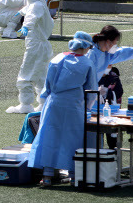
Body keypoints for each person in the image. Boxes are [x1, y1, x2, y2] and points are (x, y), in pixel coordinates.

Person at [28, 31, 98, 187]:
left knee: (50, 136)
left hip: (54, 103)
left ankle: (46, 176)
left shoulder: (57, 59)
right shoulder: (87, 63)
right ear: (86, 46)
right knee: (73, 139)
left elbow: (47, 85)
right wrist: (88, 107)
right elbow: (92, 90)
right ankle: (73, 176)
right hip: (74, 105)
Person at [6, 0, 54, 114]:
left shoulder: (36, 6)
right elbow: (29, 9)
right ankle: (44, 102)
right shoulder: (39, 3)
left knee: (25, 74)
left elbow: (32, 16)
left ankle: (25, 104)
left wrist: (26, 26)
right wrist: (21, 12)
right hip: (42, 45)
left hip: (35, 45)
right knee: (40, 75)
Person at [98, 66, 123, 149]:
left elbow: (119, 92)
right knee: (96, 139)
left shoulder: (114, 76)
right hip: (95, 112)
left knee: (113, 140)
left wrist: (107, 92)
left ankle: (114, 156)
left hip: (112, 113)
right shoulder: (92, 75)